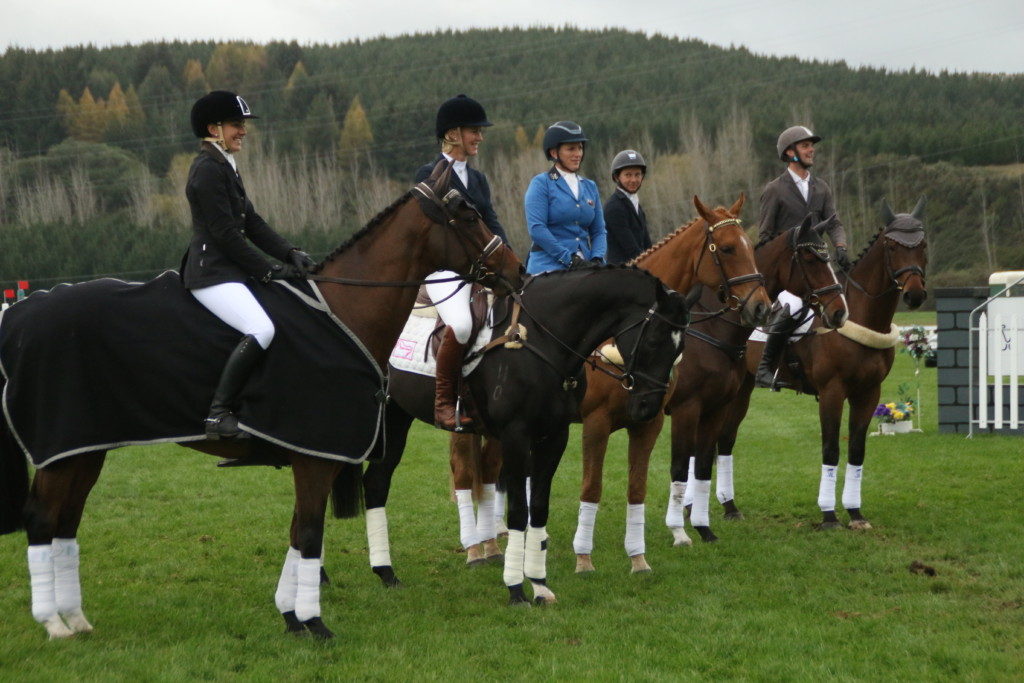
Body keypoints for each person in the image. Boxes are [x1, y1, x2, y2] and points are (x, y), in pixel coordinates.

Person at [182, 90, 314, 439]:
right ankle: (217, 414)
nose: (243, 131)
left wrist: (289, 253)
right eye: (236, 125)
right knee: (262, 329)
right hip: (211, 274)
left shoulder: (225, 164)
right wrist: (268, 270)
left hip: (231, 271)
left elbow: (251, 223)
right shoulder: (207, 170)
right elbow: (226, 234)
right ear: (214, 129)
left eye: (242, 125)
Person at [414, 94, 509, 431]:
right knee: (464, 325)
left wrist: (508, 259)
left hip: (480, 271)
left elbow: (491, 223)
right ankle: (443, 402)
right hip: (444, 272)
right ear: (453, 133)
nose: (480, 137)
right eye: (474, 131)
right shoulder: (429, 174)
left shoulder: (478, 179)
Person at [754, 124, 848, 390]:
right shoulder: (775, 189)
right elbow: (765, 236)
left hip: (816, 265)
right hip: (788, 272)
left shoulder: (821, 187)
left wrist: (840, 245)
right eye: (806, 145)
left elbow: (834, 222)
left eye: (811, 145)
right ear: (790, 152)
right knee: (791, 308)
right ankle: (764, 368)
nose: (811, 150)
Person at [524, 121, 606, 274]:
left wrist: (597, 258)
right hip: (549, 266)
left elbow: (599, 230)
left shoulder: (590, 186)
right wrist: (569, 259)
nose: (578, 154)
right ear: (554, 153)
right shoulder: (541, 184)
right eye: (571, 149)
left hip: (586, 265)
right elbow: (537, 229)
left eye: (580, 148)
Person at [603, 149, 652, 264]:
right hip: (621, 272)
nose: (634, 180)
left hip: (637, 268)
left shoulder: (637, 206)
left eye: (637, 175)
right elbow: (631, 249)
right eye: (628, 175)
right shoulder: (614, 207)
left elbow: (647, 244)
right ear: (616, 177)